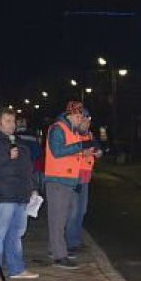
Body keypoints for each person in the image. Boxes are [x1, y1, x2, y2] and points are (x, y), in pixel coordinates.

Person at [0, 109, 39, 281]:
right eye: (8, 120)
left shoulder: (18, 141)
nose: (12, 124)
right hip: (0, 195)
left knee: (16, 234)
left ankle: (16, 268)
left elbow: (27, 167)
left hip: (19, 194)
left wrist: (32, 187)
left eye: (14, 121)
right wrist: (5, 155)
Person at [44, 101, 95, 269]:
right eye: (79, 116)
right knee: (58, 220)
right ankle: (60, 256)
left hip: (66, 179)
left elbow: (70, 152)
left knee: (61, 219)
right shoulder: (58, 129)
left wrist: (81, 151)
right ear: (70, 115)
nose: (80, 120)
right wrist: (80, 147)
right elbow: (57, 151)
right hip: (58, 180)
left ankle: (56, 250)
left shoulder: (69, 129)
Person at [66, 110, 102, 253]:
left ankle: (76, 239)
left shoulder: (90, 135)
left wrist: (98, 152)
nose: (87, 124)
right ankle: (71, 243)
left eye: (88, 121)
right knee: (73, 211)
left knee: (81, 211)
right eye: (84, 121)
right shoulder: (73, 135)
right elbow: (67, 152)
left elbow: (97, 148)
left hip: (85, 177)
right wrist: (83, 153)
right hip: (74, 176)